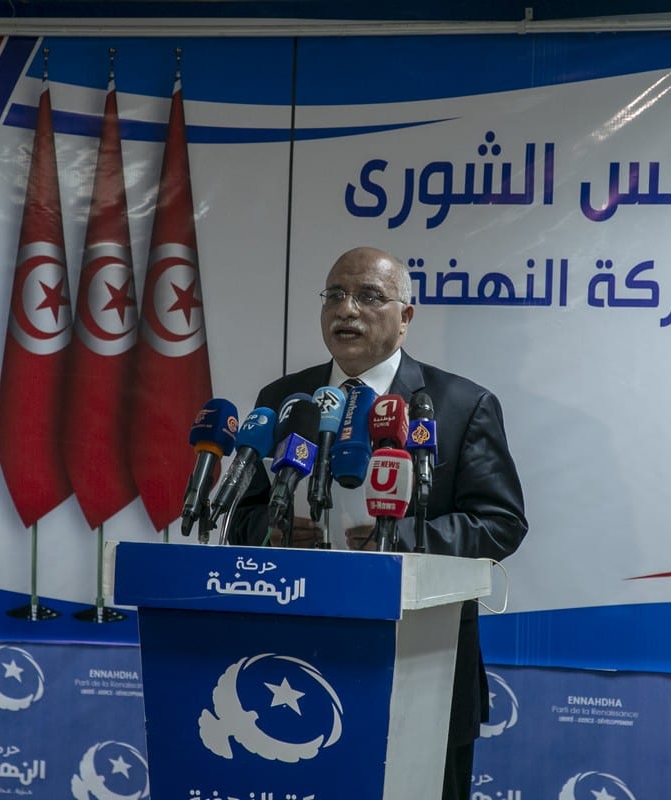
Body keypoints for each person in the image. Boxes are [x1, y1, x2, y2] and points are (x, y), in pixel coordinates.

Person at [228, 245, 528, 800]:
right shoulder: (286, 401)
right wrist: (270, 529)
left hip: (425, 665)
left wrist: (399, 541)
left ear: (405, 318)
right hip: (296, 666)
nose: (348, 310)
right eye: (336, 295)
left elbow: (501, 522)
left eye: (369, 296)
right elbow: (238, 517)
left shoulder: (460, 404)